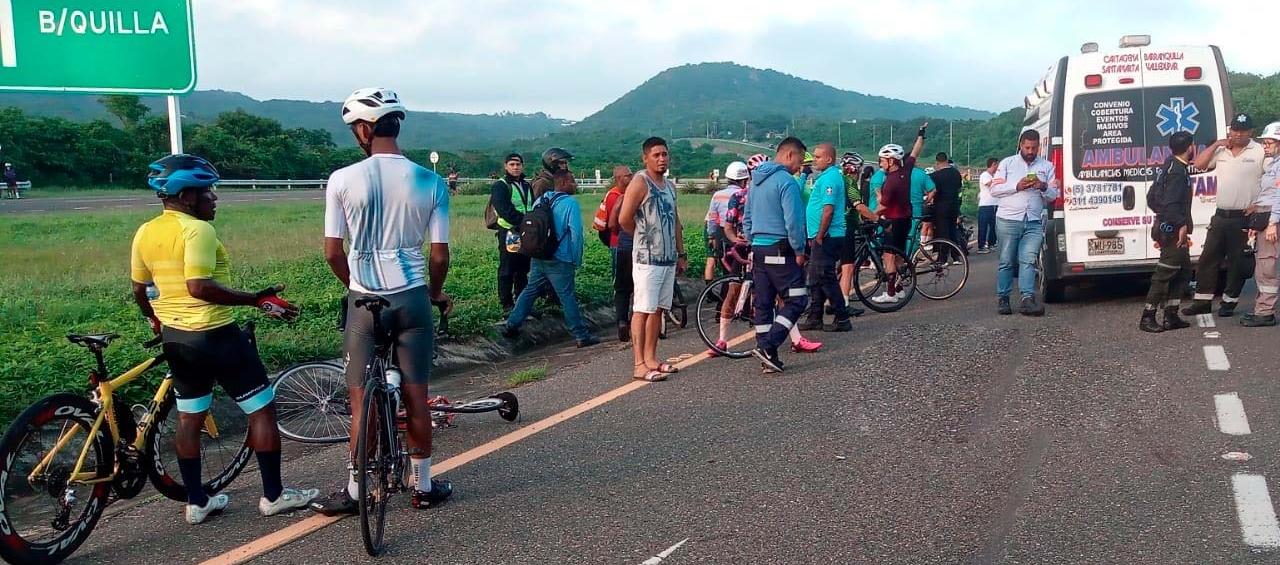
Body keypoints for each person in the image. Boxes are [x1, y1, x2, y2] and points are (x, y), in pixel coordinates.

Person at [130, 154, 316, 524]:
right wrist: (254, 299)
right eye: (207, 191)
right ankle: (274, 496)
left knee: (189, 417)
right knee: (262, 409)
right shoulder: (198, 230)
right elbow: (199, 287)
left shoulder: (145, 231)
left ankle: (197, 502)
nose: (214, 197)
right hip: (215, 335)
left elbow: (139, 287)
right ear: (186, 196)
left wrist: (153, 317)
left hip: (177, 339)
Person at [314, 87, 454, 515]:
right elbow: (439, 255)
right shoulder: (430, 182)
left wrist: (355, 283)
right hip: (412, 299)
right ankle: (424, 486)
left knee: (360, 399)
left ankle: (356, 492)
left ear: (363, 129)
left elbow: (333, 252)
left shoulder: (342, 180)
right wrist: (433, 293)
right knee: (416, 394)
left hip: (364, 301)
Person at [499, 173, 600, 348]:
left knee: (530, 290)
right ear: (565, 182)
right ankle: (581, 335)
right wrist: (576, 259)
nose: (575, 185)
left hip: (540, 256)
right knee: (567, 296)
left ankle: (511, 325)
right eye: (573, 181)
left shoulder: (541, 200)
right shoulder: (570, 203)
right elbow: (576, 235)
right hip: (561, 259)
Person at [1183, 113, 1268, 318]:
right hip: (1221, 216)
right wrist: (1216, 144)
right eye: (1235, 130)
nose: (1238, 134)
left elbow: (1274, 179)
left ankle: (1229, 302)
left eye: (1243, 131)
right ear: (1230, 130)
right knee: (1207, 259)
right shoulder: (1222, 150)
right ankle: (1202, 302)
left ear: (1251, 132)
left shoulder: (1259, 152)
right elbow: (1200, 164)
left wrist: (1260, 204)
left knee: (1239, 262)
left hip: (1244, 218)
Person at [620, 137, 686, 381]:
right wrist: (643, 238)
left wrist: (681, 253)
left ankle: (651, 358)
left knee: (658, 309)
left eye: (665, 154)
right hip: (647, 260)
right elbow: (624, 219)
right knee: (642, 310)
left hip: (667, 259)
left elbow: (676, 221)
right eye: (656, 155)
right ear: (645, 158)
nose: (661, 159)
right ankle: (639, 364)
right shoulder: (640, 183)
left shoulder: (669, 186)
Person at [743, 137, 809, 373]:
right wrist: (799, 250)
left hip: (759, 250)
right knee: (798, 298)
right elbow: (793, 222)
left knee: (763, 304)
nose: (799, 167)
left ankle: (767, 356)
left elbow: (747, 218)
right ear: (789, 155)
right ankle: (769, 345)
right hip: (781, 249)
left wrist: (752, 241)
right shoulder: (786, 182)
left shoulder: (755, 181)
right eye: (800, 160)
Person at [990, 129, 1059, 316]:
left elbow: (1054, 195)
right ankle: (1003, 298)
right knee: (1006, 261)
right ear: (1021, 145)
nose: (1030, 151)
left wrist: (1043, 186)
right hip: (1008, 219)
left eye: (1034, 148)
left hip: (1034, 221)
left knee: (1028, 260)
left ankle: (1026, 298)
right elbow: (994, 190)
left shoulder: (1047, 166)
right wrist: (1016, 186)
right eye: (1027, 147)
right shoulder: (1007, 164)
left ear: (1039, 147)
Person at [1139, 132, 1196, 332]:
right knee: (1165, 273)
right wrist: (1179, 225)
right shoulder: (1177, 172)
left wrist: (1162, 215)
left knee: (1184, 271)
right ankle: (1148, 317)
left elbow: (1152, 197)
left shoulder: (1169, 165)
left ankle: (1171, 315)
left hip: (1168, 225)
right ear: (1190, 147)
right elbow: (1171, 203)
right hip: (1172, 230)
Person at [868, 122, 930, 305]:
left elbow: (882, 207)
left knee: (888, 256)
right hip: (905, 219)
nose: (880, 163)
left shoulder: (891, 182)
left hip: (892, 222)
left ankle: (890, 292)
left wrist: (868, 213)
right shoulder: (906, 170)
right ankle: (900, 288)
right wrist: (921, 133)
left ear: (891, 161)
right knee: (899, 255)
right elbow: (915, 152)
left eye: (882, 160)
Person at [799, 143, 852, 333]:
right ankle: (815, 316)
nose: (814, 160)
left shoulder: (830, 179)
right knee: (815, 277)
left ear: (829, 159)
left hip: (828, 236)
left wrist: (820, 235)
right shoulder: (825, 177)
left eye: (818, 157)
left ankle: (842, 317)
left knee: (825, 276)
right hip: (820, 235)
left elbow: (828, 210)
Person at [1241, 122, 1280, 327]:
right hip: (1264, 216)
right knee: (1263, 264)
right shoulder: (1274, 163)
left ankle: (1265, 312)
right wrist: (1256, 207)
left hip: (1272, 220)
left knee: (1267, 264)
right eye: (1264, 143)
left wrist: (1273, 222)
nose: (1265, 146)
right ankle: (1261, 308)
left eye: (1269, 143)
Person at [489, 153, 534, 314]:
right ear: (506, 166)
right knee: (508, 267)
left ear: (522, 166)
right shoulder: (500, 186)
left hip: (526, 232)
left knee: (523, 267)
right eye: (512, 164)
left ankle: (521, 302)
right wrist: (525, 221)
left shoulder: (527, 185)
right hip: (510, 232)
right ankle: (506, 303)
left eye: (518, 164)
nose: (515, 167)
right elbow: (505, 210)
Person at [602, 166, 635, 342]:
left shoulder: (621, 198)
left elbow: (612, 225)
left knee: (622, 288)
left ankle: (622, 320)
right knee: (635, 286)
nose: (631, 178)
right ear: (618, 178)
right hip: (633, 247)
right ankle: (634, 321)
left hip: (622, 246)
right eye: (627, 176)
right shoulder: (618, 196)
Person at [838, 153, 876, 309]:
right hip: (845, 227)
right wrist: (877, 219)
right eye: (859, 168)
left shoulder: (839, 180)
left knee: (839, 267)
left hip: (837, 226)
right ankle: (844, 304)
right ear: (854, 168)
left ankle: (832, 300)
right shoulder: (850, 183)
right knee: (848, 267)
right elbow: (858, 206)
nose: (860, 171)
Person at [705, 166, 740, 287]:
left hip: (722, 233)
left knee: (726, 268)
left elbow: (712, 218)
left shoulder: (718, 195)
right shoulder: (745, 194)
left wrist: (711, 236)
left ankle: (723, 300)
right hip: (740, 233)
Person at [929, 152, 964, 263]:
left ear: (937, 162)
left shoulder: (935, 176)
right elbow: (959, 188)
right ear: (947, 160)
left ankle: (943, 258)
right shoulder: (956, 173)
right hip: (954, 205)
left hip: (941, 206)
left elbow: (932, 191)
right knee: (952, 230)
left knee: (942, 232)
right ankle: (956, 256)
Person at [976, 158, 1000, 253]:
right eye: (996, 165)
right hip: (985, 205)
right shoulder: (984, 175)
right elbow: (991, 184)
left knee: (994, 225)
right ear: (992, 165)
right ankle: (981, 246)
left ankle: (992, 243)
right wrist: (999, 181)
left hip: (995, 204)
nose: (997, 167)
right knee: (983, 226)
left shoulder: (994, 176)